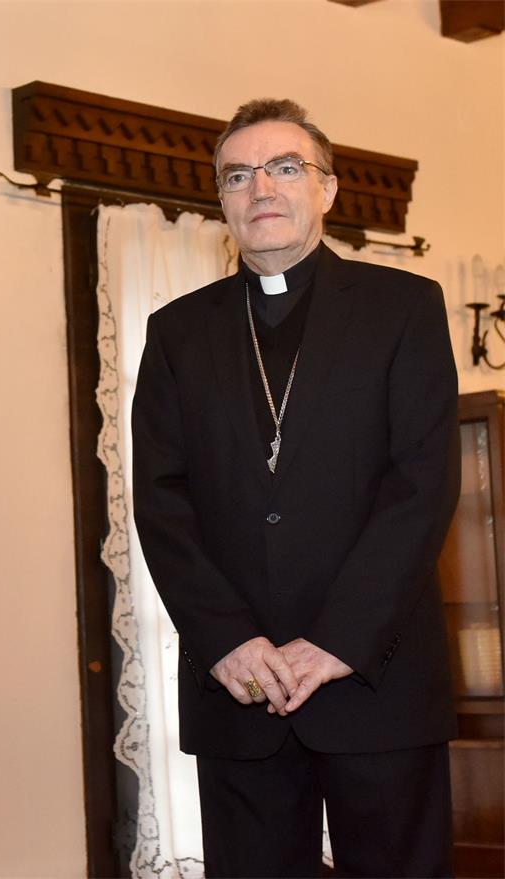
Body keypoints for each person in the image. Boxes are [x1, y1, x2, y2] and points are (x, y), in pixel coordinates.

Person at [131, 98, 460, 878]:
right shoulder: (178, 331)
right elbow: (162, 499)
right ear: (222, 202)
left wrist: (338, 640)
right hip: (239, 685)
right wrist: (227, 639)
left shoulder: (403, 308)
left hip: (377, 677)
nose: (261, 188)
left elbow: (421, 487)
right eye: (237, 175)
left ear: (328, 188)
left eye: (285, 167)